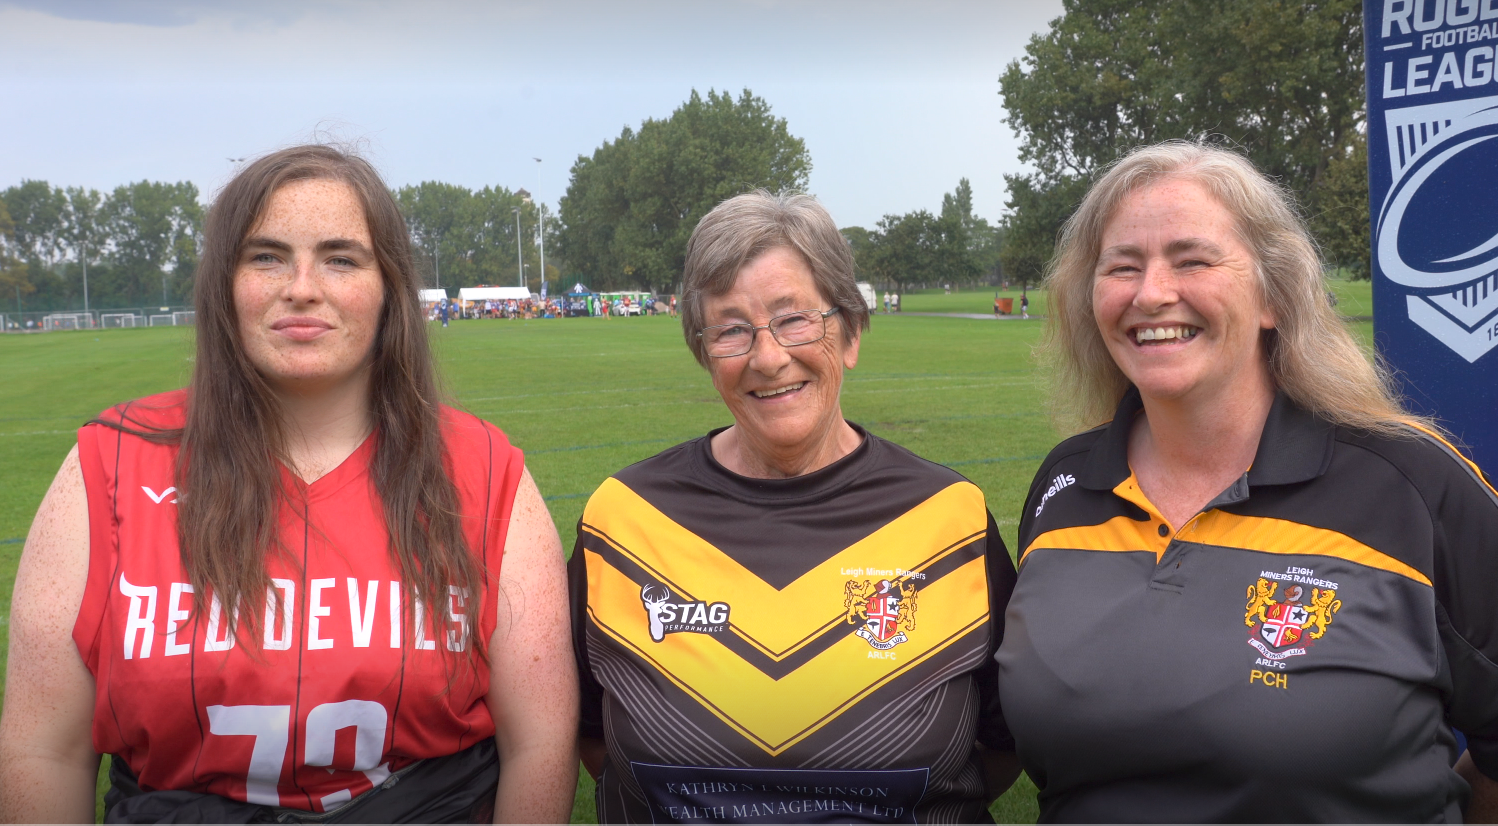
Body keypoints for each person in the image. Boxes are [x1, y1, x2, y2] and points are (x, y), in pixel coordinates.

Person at [0, 145, 578, 823]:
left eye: (341, 258)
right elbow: (45, 750)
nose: (302, 286)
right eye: (266, 256)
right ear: (225, 284)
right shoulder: (109, 466)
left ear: (389, 286)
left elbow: (540, 741)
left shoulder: (484, 468)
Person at [997, 141, 1498, 822]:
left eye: (1193, 260)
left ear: (1272, 295)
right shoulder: (1065, 485)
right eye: (1122, 267)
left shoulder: (1413, 484)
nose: (1151, 294)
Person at [569, 190, 1020, 824]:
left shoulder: (951, 518)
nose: (768, 356)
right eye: (731, 329)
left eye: (795, 319)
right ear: (704, 354)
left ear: (852, 332)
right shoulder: (622, 519)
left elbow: (1004, 747)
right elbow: (591, 737)